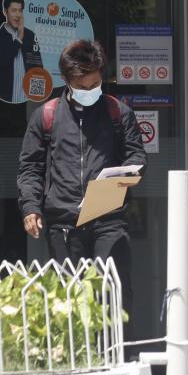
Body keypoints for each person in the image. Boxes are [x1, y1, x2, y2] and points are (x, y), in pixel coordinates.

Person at [16, 39, 145, 305]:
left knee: (113, 296)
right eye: (81, 86)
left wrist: (131, 173)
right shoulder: (46, 116)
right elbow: (30, 167)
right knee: (68, 300)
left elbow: (136, 155)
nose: (89, 90)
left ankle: (118, 348)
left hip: (109, 220)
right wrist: (31, 207)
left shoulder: (118, 113)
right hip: (64, 223)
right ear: (66, 80)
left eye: (95, 85)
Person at [0, 0, 40, 103]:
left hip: (27, 100)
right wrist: (19, 38)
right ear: (5, 12)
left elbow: (37, 68)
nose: (17, 15)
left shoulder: (31, 36)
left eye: (20, 11)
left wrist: (36, 98)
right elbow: (3, 61)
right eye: (13, 10)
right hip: (3, 99)